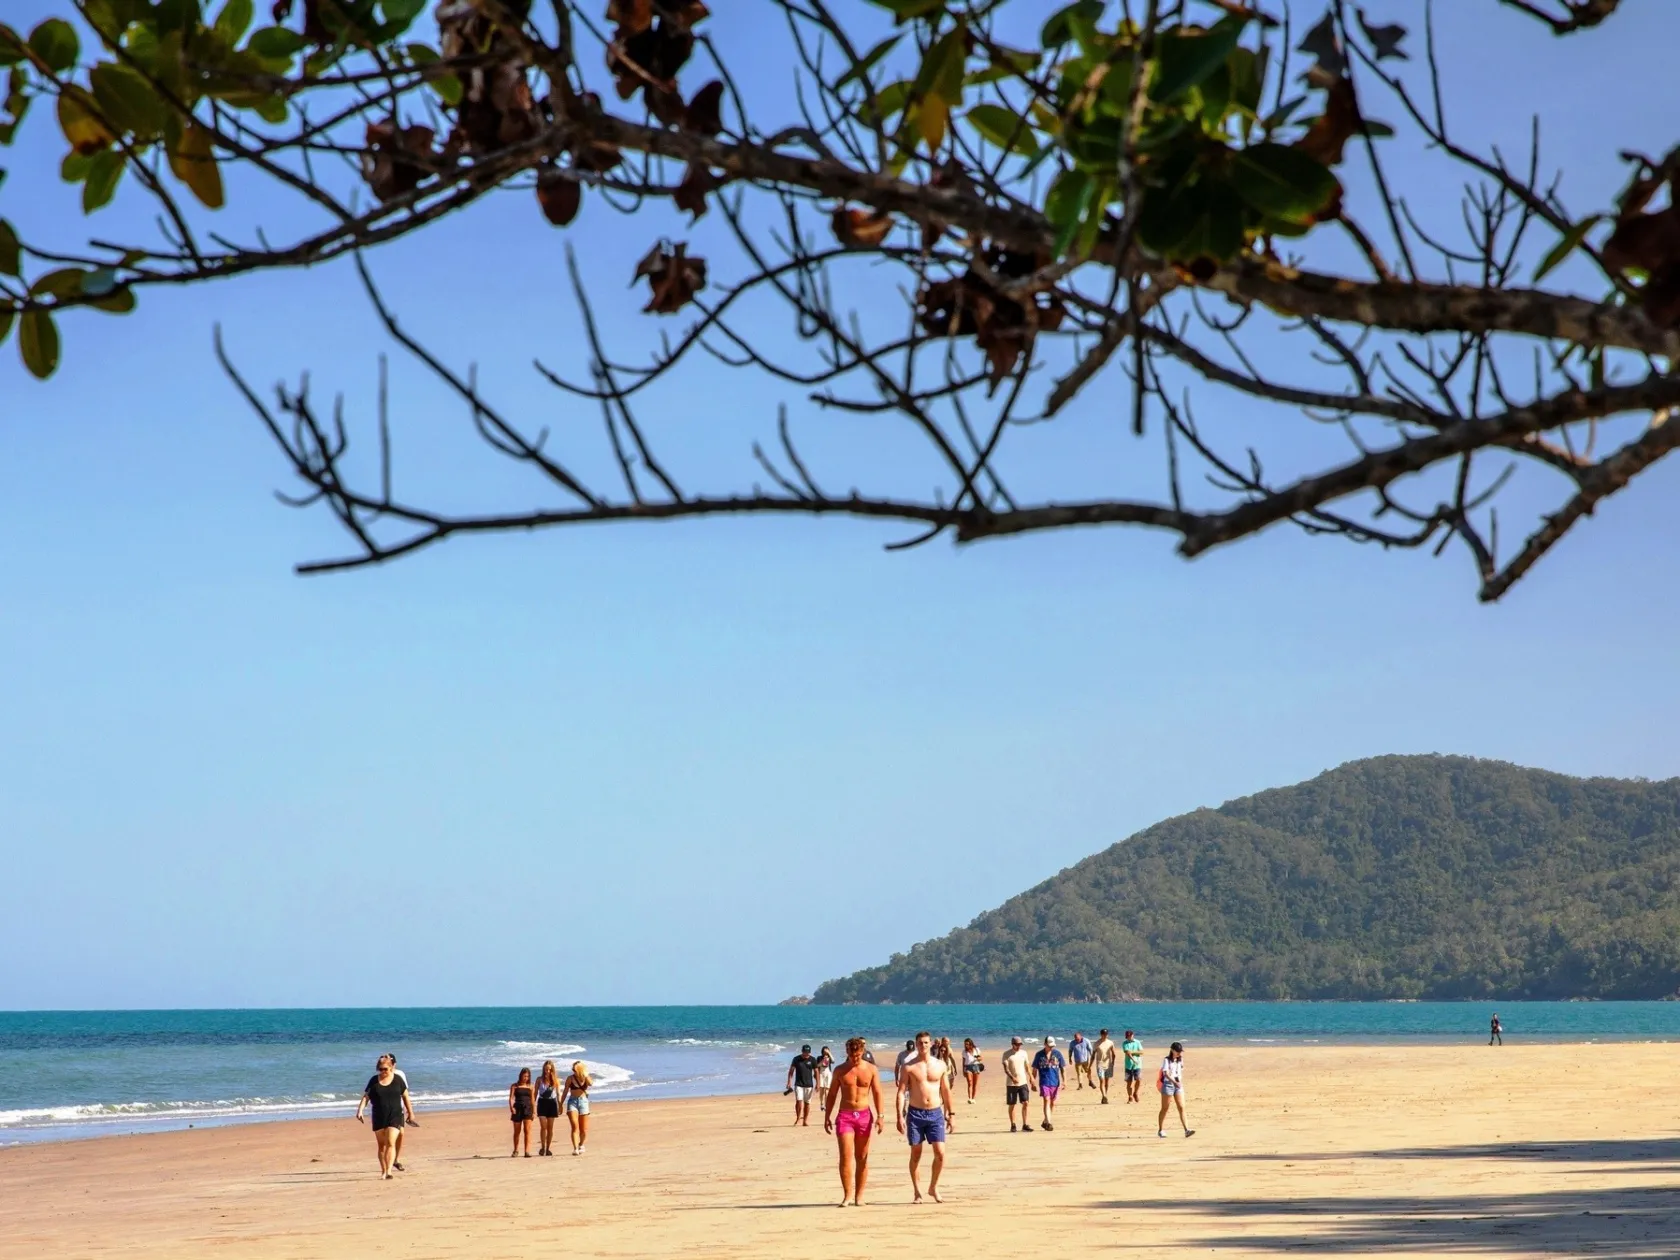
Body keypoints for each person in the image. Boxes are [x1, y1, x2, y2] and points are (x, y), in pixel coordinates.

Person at [823, 1036, 884, 1207]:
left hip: (864, 1115)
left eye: (857, 1055)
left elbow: (878, 1092)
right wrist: (827, 1116)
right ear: (847, 1052)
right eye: (851, 1055)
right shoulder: (840, 1070)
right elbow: (833, 1094)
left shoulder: (871, 1069)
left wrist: (881, 1116)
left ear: (862, 1052)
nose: (855, 1058)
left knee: (862, 1156)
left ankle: (859, 1196)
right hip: (845, 1116)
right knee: (845, 1156)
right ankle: (847, 1195)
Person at [896, 1031, 954, 1203]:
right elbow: (901, 1092)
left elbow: (946, 1091)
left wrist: (951, 1114)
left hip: (935, 1113)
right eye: (920, 1043)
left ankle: (933, 1187)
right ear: (916, 1044)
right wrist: (899, 1115)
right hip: (915, 1113)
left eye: (926, 1042)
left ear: (931, 1044)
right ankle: (917, 1192)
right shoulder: (908, 1066)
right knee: (916, 1153)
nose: (923, 1045)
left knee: (940, 1153)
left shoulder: (940, 1065)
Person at [355, 1053, 416, 1180]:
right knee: (381, 1145)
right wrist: (360, 1110)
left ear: (391, 1067)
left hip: (395, 1115)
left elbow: (405, 1097)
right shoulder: (373, 1080)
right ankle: (383, 1170)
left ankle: (389, 1171)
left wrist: (410, 1112)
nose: (383, 1071)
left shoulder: (398, 1079)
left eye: (385, 1069)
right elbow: (366, 1097)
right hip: (378, 1116)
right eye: (380, 1069)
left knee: (390, 1142)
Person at [1156, 1042, 1195, 1138]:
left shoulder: (1180, 1060)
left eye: (1180, 1052)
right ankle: (1160, 1129)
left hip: (1178, 1085)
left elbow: (1181, 1069)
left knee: (1181, 1107)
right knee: (1165, 1108)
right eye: (1177, 1051)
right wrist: (1174, 1082)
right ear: (1172, 1050)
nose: (1179, 1053)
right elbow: (1166, 1074)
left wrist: (1178, 1080)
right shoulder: (1167, 1060)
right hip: (1168, 1085)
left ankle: (1186, 1130)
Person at [386, 1053, 417, 1169]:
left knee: (401, 1133)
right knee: (388, 1138)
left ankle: (396, 1159)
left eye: (391, 1062)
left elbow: (405, 1094)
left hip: (398, 1109)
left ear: (394, 1064)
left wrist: (410, 1111)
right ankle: (388, 1160)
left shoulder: (400, 1075)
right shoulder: (381, 1075)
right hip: (384, 1111)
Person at [1031, 1035, 1066, 1131]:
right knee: (1046, 1100)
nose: (1051, 1047)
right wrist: (1032, 1082)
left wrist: (1064, 1081)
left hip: (1055, 1082)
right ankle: (1049, 1123)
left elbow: (1063, 1068)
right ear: (1045, 1044)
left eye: (1052, 1046)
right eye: (1049, 1045)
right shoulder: (1039, 1055)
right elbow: (1034, 1069)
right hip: (1044, 1081)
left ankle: (1045, 1121)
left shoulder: (1058, 1054)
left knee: (1052, 1103)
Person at [1002, 1036, 1034, 1132]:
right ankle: (1013, 1124)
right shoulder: (1007, 1054)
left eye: (1020, 1044)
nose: (1019, 1046)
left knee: (1025, 1103)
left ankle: (1024, 1124)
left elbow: (1027, 1067)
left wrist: (1031, 1077)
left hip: (1023, 1082)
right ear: (1013, 1044)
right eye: (1017, 1044)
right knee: (1012, 1104)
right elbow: (1006, 1069)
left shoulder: (1024, 1053)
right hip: (1011, 1083)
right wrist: (1012, 1077)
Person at [562, 1060, 592, 1155]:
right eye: (572, 1069)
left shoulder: (586, 1077)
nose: (573, 1071)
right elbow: (565, 1091)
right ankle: (575, 1148)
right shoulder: (570, 1078)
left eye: (575, 1069)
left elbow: (591, 1083)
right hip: (572, 1102)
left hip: (583, 1102)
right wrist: (560, 1104)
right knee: (575, 1126)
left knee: (584, 1130)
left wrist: (585, 1074)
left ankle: (581, 1144)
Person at [786, 1043, 820, 1126]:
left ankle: (805, 1120)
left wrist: (818, 1084)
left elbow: (816, 1072)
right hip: (799, 1084)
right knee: (799, 1101)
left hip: (809, 1084)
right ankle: (798, 1118)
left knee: (807, 1103)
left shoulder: (813, 1060)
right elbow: (791, 1071)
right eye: (805, 1052)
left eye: (808, 1053)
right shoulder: (796, 1059)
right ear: (802, 1051)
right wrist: (789, 1081)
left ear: (810, 1052)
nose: (806, 1054)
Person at [535, 1060, 562, 1156]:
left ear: (552, 1070)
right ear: (543, 1069)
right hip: (542, 1102)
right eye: (546, 1069)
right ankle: (542, 1147)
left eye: (549, 1070)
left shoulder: (555, 1080)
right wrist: (533, 1105)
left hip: (552, 1103)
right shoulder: (539, 1079)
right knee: (543, 1127)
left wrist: (560, 1105)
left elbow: (558, 1093)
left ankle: (548, 1148)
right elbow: (535, 1093)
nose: (547, 1071)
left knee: (550, 1128)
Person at [508, 1066, 536, 1157]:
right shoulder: (514, 1086)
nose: (526, 1078)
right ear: (520, 1076)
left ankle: (527, 1151)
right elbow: (511, 1098)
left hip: (528, 1109)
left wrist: (534, 1112)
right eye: (524, 1076)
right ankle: (515, 1150)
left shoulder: (531, 1086)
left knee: (527, 1131)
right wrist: (511, 1107)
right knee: (517, 1131)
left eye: (527, 1076)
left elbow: (533, 1100)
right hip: (517, 1109)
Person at [1092, 1029, 1116, 1104]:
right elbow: (1093, 1055)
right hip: (1100, 1064)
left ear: (1107, 1035)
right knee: (1101, 1080)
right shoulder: (1096, 1043)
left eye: (1106, 1034)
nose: (1105, 1036)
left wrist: (1113, 1062)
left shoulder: (1110, 1043)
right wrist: (1090, 1065)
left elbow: (1114, 1053)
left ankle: (1104, 1096)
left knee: (1107, 1082)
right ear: (1101, 1034)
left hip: (1108, 1064)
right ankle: (1104, 1096)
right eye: (1103, 1034)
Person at [1121, 1030, 1144, 1103]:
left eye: (1130, 1036)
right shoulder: (1125, 1043)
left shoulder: (1137, 1042)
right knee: (1129, 1082)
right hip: (1128, 1065)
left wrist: (1133, 1052)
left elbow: (1141, 1052)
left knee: (1139, 1080)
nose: (1129, 1037)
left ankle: (1135, 1093)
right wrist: (1134, 1059)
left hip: (1137, 1065)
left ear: (1133, 1035)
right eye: (1128, 1036)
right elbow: (1127, 1053)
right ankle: (1130, 1096)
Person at [961, 1038, 983, 1103]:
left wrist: (978, 1058)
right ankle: (970, 1098)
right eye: (965, 1044)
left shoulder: (976, 1050)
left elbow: (981, 1058)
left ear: (971, 1044)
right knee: (970, 1082)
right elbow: (963, 1062)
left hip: (976, 1066)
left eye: (967, 1044)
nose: (966, 1045)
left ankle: (973, 1098)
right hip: (968, 1067)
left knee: (975, 1084)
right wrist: (963, 1070)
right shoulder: (964, 1052)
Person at [816, 1046, 835, 1111]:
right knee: (821, 1090)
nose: (825, 1053)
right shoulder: (819, 1057)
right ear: (822, 1052)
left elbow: (833, 1061)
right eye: (824, 1051)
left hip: (828, 1073)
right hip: (821, 1073)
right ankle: (822, 1104)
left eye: (826, 1051)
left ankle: (826, 1105)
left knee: (827, 1090)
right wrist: (822, 1061)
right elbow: (817, 1066)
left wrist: (829, 1053)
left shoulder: (829, 1057)